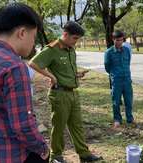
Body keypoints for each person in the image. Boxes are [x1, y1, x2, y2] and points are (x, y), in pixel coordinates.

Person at [29, 21, 103, 163]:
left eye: (78, 39)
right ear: (65, 34)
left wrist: (76, 74)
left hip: (73, 93)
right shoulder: (52, 49)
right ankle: (56, 156)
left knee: (77, 125)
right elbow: (33, 63)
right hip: (59, 94)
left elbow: (66, 70)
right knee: (59, 126)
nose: (76, 42)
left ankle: (84, 153)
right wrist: (51, 76)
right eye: (75, 38)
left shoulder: (70, 49)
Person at [0, 2, 50, 163]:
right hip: (12, 153)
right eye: (34, 36)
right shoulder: (14, 66)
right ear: (22, 32)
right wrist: (43, 148)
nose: (33, 43)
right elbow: (23, 126)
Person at [104, 30, 137, 127]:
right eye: (117, 40)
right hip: (117, 80)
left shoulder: (126, 50)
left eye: (121, 40)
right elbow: (107, 66)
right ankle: (117, 119)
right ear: (113, 40)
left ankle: (130, 118)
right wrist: (114, 74)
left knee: (129, 100)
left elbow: (128, 63)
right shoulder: (109, 53)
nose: (120, 42)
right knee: (116, 100)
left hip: (127, 80)